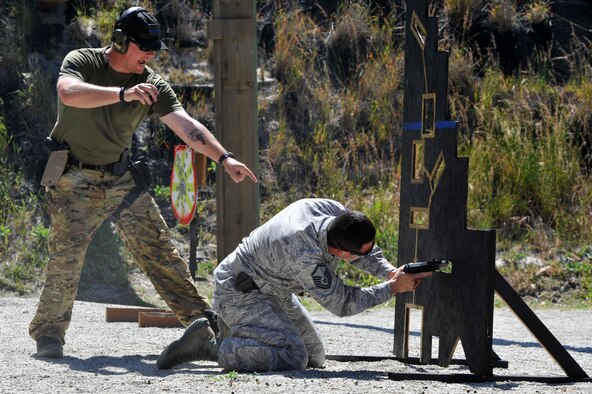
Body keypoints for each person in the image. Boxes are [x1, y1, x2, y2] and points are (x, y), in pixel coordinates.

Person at [30, 6, 257, 359]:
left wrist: (225, 159)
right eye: (145, 49)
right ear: (120, 41)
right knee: (66, 259)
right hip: (74, 176)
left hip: (120, 178)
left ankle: (204, 328)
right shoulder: (84, 60)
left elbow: (187, 126)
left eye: (154, 50)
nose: (150, 57)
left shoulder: (152, 83)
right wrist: (124, 94)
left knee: (160, 252)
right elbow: (69, 93)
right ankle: (49, 335)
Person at [157, 198, 431, 371]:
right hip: (239, 292)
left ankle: (233, 329)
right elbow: (342, 303)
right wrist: (392, 288)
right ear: (343, 254)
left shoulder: (333, 213)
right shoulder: (305, 255)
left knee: (315, 356)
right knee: (292, 356)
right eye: (358, 254)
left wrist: (390, 272)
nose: (367, 255)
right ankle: (211, 346)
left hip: (271, 287)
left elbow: (363, 252)